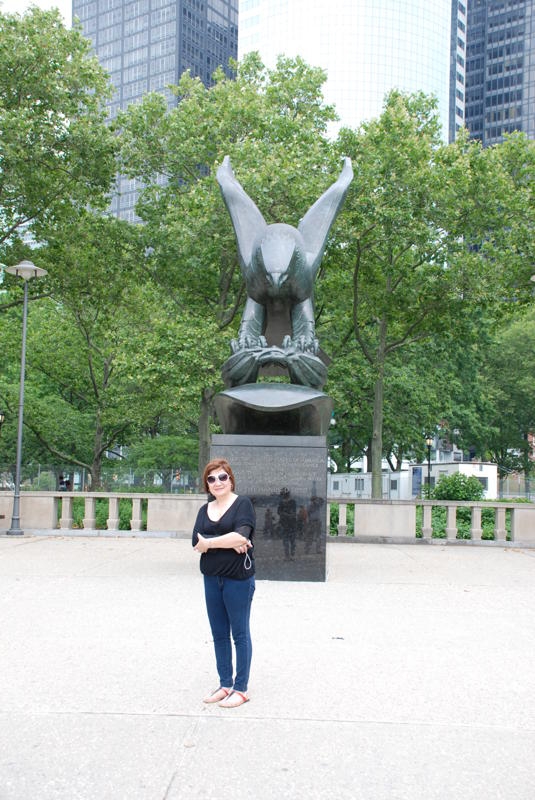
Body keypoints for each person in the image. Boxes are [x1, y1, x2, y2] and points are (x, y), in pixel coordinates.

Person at [192, 458, 256, 708]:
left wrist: (211, 542)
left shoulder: (242, 504)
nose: (217, 482)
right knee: (219, 634)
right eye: (211, 478)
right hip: (211, 579)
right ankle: (225, 684)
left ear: (230, 479)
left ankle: (241, 688)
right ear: (207, 484)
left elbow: (242, 535)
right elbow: (195, 542)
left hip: (238, 580)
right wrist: (228, 541)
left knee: (240, 633)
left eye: (222, 477)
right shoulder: (204, 510)